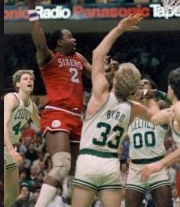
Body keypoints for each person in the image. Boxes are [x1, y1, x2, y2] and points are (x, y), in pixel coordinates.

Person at [71, 14, 166, 207]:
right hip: (110, 165)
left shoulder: (100, 94)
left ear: (114, 79)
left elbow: (97, 53)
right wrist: (153, 95)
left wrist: (119, 28)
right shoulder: (134, 108)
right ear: (134, 87)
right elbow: (158, 118)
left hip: (88, 160)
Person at [25, 0, 92, 207]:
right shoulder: (49, 57)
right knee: (61, 165)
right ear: (59, 42)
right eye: (69, 36)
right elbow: (40, 42)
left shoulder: (80, 58)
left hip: (77, 116)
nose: (74, 39)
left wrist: (109, 70)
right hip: (57, 112)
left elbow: (99, 76)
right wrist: (32, 8)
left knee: (75, 174)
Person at [125, 77, 172, 207]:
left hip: (157, 166)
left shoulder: (161, 110)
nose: (142, 84)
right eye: (139, 83)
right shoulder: (129, 110)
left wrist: (157, 93)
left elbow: (175, 103)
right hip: (135, 168)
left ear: (151, 88)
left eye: (145, 83)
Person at [4, 69, 40, 207]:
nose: (29, 80)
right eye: (25, 79)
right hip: (4, 145)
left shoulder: (32, 106)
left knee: (13, 195)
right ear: (17, 84)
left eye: (31, 79)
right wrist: (11, 150)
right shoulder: (11, 98)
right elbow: (4, 125)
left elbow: (43, 125)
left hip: (10, 147)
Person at [140, 68, 180, 181]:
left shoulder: (178, 109)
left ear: (171, 88)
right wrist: (152, 95)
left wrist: (160, 163)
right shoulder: (172, 111)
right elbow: (154, 119)